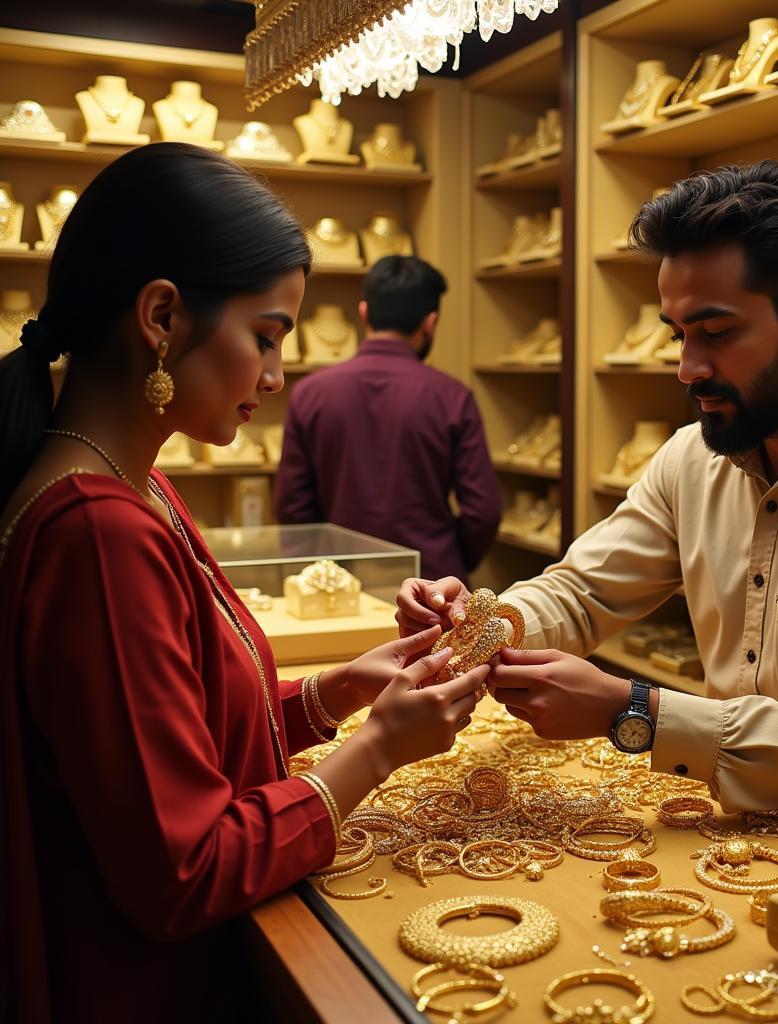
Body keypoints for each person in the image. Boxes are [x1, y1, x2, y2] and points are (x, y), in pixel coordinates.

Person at [0, 143, 488, 1022]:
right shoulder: (99, 531)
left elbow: (175, 738)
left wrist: (336, 695)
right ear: (161, 317)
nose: (277, 376)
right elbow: (182, 871)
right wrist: (376, 751)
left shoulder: (134, 485)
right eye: (264, 338)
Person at [397, 160, 778, 841]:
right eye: (677, 333)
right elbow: (582, 594)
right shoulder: (693, 458)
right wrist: (484, 623)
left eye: (716, 333)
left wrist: (632, 712)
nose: (686, 368)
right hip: (735, 842)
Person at [274, 255, 501, 583]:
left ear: (364, 313)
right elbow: (484, 511)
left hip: (342, 585)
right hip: (432, 587)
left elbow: (293, 508)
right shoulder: (451, 397)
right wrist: (450, 557)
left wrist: (313, 576)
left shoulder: (310, 393)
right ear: (430, 323)